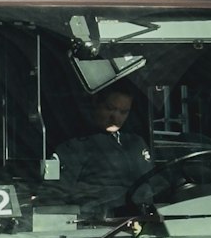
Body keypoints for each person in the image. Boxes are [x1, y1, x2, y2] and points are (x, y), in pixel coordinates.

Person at [57, 82, 152, 217]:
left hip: (143, 221)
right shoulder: (75, 146)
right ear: (96, 103)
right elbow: (55, 195)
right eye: (110, 109)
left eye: (123, 112)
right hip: (99, 226)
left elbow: (155, 183)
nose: (116, 117)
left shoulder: (136, 143)